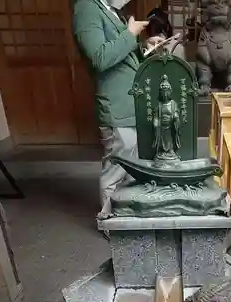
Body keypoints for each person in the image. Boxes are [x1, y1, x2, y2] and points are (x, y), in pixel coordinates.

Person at [73, 0, 163, 218]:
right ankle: (109, 221)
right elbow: (100, 58)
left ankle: (126, 217)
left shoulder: (111, 11)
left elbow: (122, 55)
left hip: (131, 104)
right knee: (116, 168)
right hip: (116, 105)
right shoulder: (86, 7)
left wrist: (146, 47)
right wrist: (130, 33)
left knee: (132, 166)